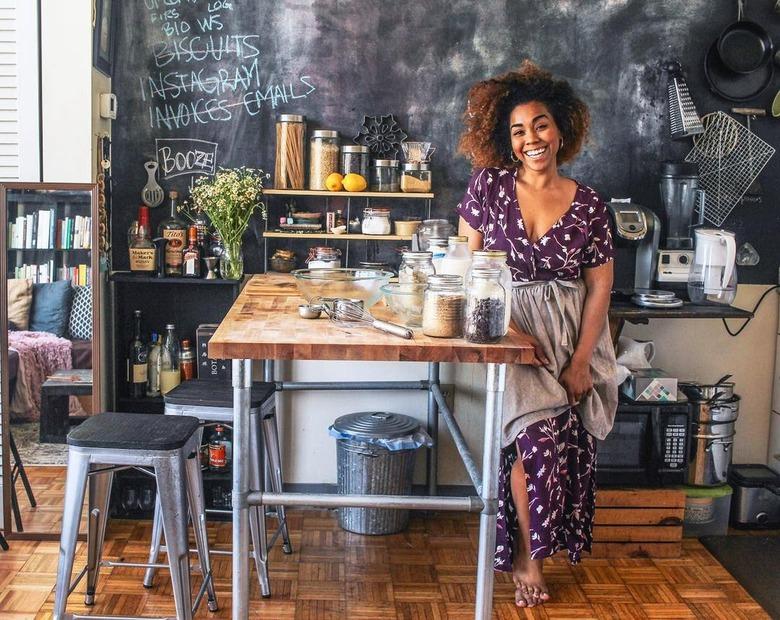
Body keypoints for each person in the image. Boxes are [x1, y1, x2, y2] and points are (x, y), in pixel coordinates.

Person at [456, 61, 618, 609]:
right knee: (536, 443)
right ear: (506, 139)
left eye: (541, 125)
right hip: (506, 329)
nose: (531, 139)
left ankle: (532, 554)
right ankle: (529, 557)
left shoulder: (591, 203)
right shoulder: (489, 186)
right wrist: (511, 330)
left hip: (570, 335)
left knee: (554, 447)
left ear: (562, 128)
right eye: (519, 131)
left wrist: (579, 362)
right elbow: (465, 267)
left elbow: (599, 288)